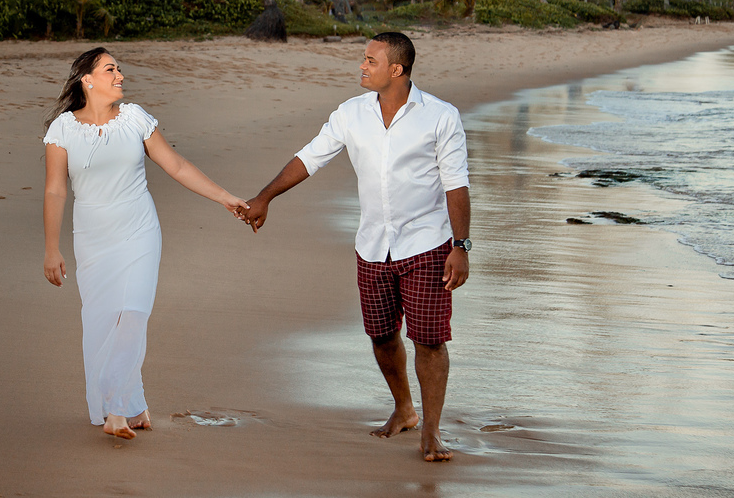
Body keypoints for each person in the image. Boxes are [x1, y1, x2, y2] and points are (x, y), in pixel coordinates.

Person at [240, 32, 471, 462]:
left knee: (429, 341)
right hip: (372, 247)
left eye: (370, 61)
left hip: (427, 245)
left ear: (396, 70)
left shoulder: (440, 117)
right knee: (382, 336)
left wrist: (461, 246)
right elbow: (309, 158)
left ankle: (432, 431)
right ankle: (405, 409)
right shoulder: (351, 113)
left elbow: (456, 184)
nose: (361, 67)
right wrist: (264, 197)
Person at [43, 47, 249, 440]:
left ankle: (116, 409)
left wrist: (225, 197)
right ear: (87, 79)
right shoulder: (63, 130)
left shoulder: (135, 118)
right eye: (110, 69)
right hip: (92, 237)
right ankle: (135, 406)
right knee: (102, 321)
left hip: (139, 231)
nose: (119, 75)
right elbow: (55, 192)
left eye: (118, 68)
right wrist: (52, 249)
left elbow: (177, 165)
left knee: (133, 314)